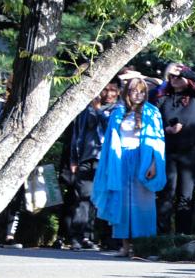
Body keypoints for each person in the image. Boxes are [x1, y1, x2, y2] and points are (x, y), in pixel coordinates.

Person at [92, 77, 166, 258]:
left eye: (142, 92)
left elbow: (159, 141)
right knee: (122, 203)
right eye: (134, 91)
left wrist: (155, 164)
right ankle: (125, 246)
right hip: (121, 160)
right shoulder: (118, 112)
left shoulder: (152, 112)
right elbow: (110, 140)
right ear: (127, 93)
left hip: (143, 158)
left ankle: (143, 246)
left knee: (144, 203)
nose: (138, 95)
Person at [155, 62, 195, 235]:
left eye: (178, 77)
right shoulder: (163, 99)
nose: (174, 79)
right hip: (168, 152)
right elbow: (156, 124)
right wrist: (168, 129)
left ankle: (183, 236)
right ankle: (162, 237)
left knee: (186, 196)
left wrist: (186, 72)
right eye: (171, 77)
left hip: (190, 153)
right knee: (167, 194)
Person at [59, 82, 117, 250]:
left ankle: (89, 236)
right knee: (84, 198)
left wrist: (99, 111)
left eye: (113, 90)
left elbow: (109, 128)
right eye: (105, 89)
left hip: (106, 160)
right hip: (87, 159)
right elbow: (78, 136)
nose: (108, 93)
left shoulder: (117, 110)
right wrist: (73, 160)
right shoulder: (86, 110)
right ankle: (77, 236)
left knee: (97, 201)